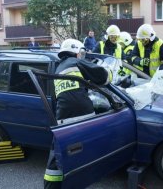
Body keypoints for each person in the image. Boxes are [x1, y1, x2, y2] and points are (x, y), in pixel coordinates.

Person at [44, 39, 112, 189]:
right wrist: (111, 73)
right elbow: (102, 76)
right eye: (81, 52)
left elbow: (57, 97)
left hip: (63, 118)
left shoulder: (58, 69)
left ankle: (53, 185)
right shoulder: (75, 62)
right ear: (75, 52)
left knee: (60, 154)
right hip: (84, 116)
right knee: (89, 150)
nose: (81, 55)